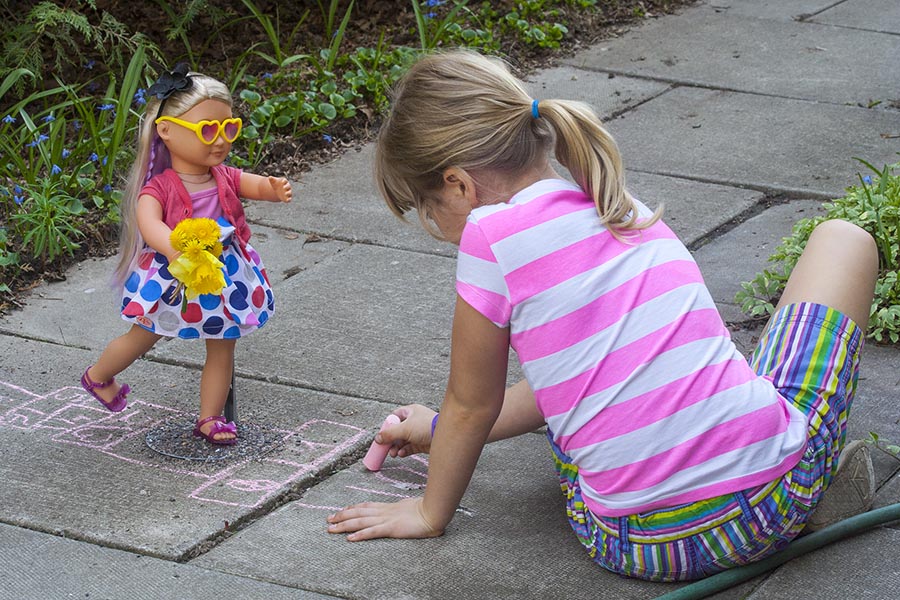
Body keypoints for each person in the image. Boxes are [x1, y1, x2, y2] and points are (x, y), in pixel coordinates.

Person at [326, 49, 879, 582]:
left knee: (590, 421)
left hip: (635, 544)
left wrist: (429, 512)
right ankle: (796, 484)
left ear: (458, 184)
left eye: (424, 207)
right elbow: (572, 375)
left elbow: (473, 403)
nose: (431, 224)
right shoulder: (614, 202)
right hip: (770, 504)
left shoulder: (488, 234)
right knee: (842, 240)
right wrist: (437, 430)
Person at [80, 64, 292, 445]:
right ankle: (98, 376)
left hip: (220, 275)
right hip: (174, 277)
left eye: (229, 128)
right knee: (143, 335)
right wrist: (174, 244)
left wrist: (271, 188)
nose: (220, 140)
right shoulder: (160, 187)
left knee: (223, 343)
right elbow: (149, 223)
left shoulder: (223, 175)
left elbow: (251, 183)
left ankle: (211, 418)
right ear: (166, 131)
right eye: (207, 130)